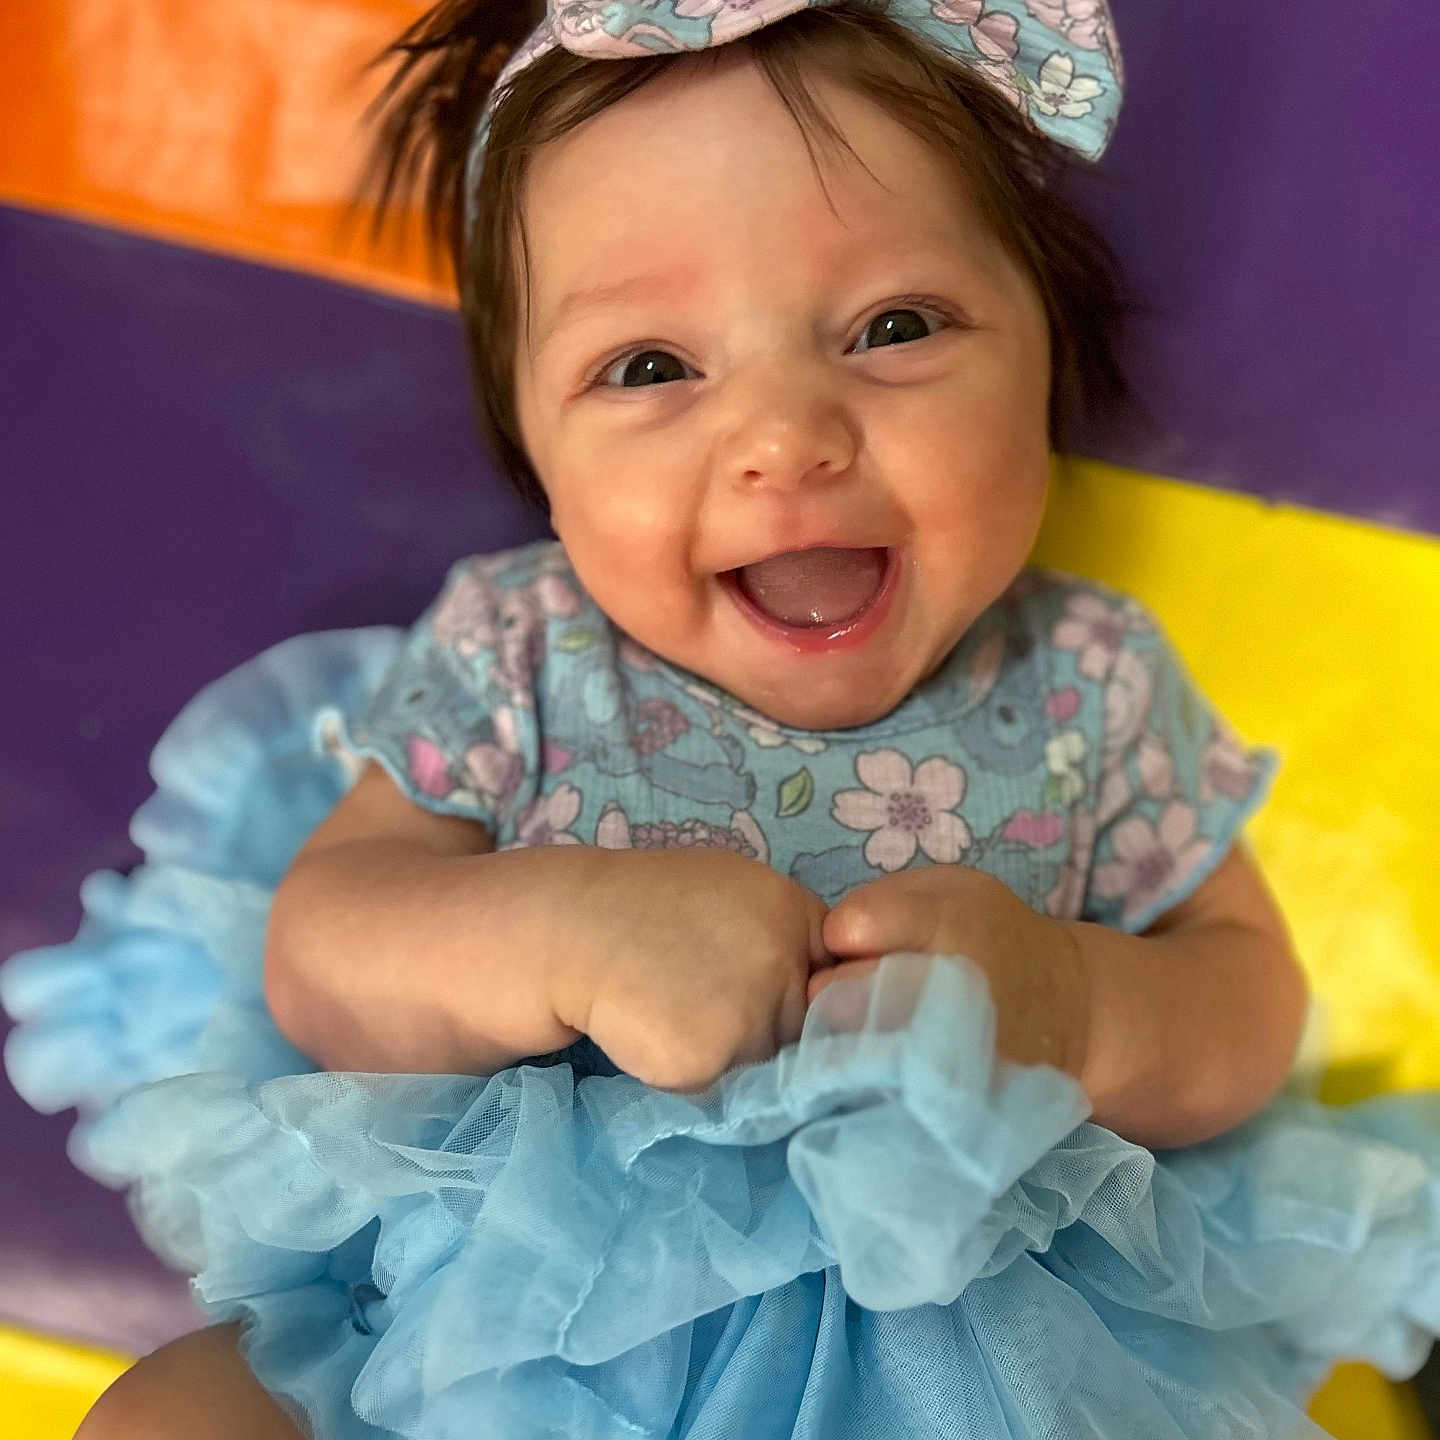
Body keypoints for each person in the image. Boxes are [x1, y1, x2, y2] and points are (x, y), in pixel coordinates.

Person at [12, 0, 1435, 1436]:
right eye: (650, 368)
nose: (785, 436)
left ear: (1044, 362)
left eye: (893, 328)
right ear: (539, 460)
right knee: (170, 1415)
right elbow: (323, 951)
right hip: (513, 1334)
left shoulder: (1087, 676)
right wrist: (563, 933)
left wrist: (1070, 1005)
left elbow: (1249, 1001)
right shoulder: (525, 653)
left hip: (977, 1352)